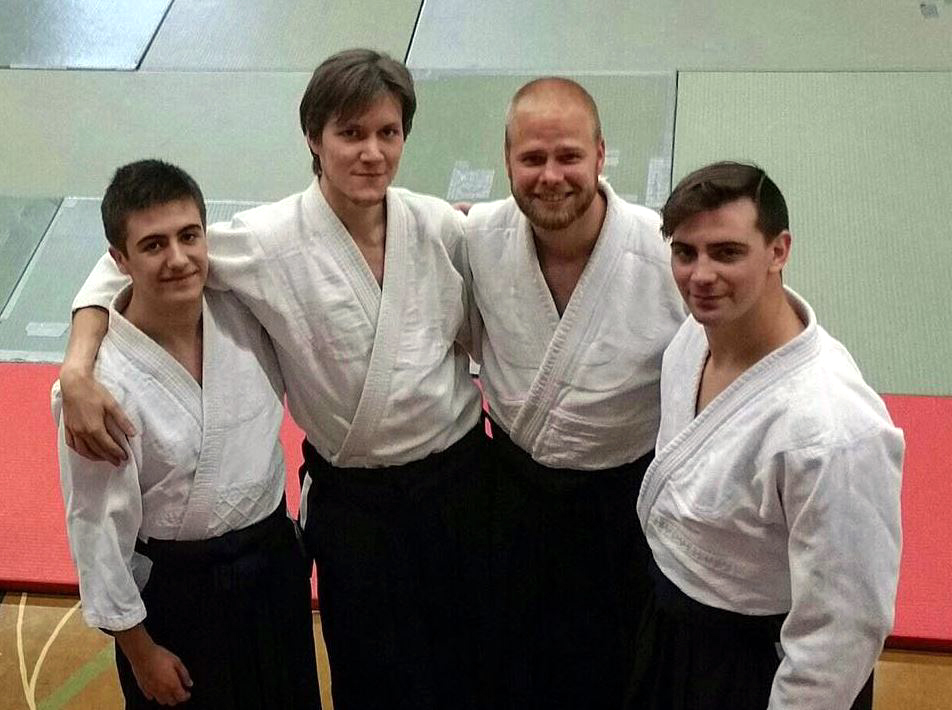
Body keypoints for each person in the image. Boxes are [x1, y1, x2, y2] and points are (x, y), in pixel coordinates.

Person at [58, 50, 488, 710]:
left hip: (458, 483)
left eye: (388, 132)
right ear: (314, 137)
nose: (372, 152)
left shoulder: (439, 226)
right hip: (355, 504)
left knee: (472, 665)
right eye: (351, 133)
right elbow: (125, 262)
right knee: (369, 675)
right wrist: (77, 365)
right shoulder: (265, 241)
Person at [629, 161, 903, 710]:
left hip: (756, 662)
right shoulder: (693, 340)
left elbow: (843, 629)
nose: (700, 275)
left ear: (779, 250)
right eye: (685, 253)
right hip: (675, 631)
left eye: (726, 252)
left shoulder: (832, 429)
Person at [53, 160, 320, 708]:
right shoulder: (99, 389)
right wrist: (140, 651)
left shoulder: (244, 308)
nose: (177, 258)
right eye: (153, 245)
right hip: (178, 598)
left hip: (272, 566)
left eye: (189, 236)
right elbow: (96, 531)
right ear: (118, 260)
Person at [461, 77, 686, 709]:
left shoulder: (664, 255)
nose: (551, 176)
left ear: (601, 155)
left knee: (620, 678)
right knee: (510, 674)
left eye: (569, 156)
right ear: (507, 159)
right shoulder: (477, 239)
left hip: (623, 508)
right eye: (532, 158)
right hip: (511, 498)